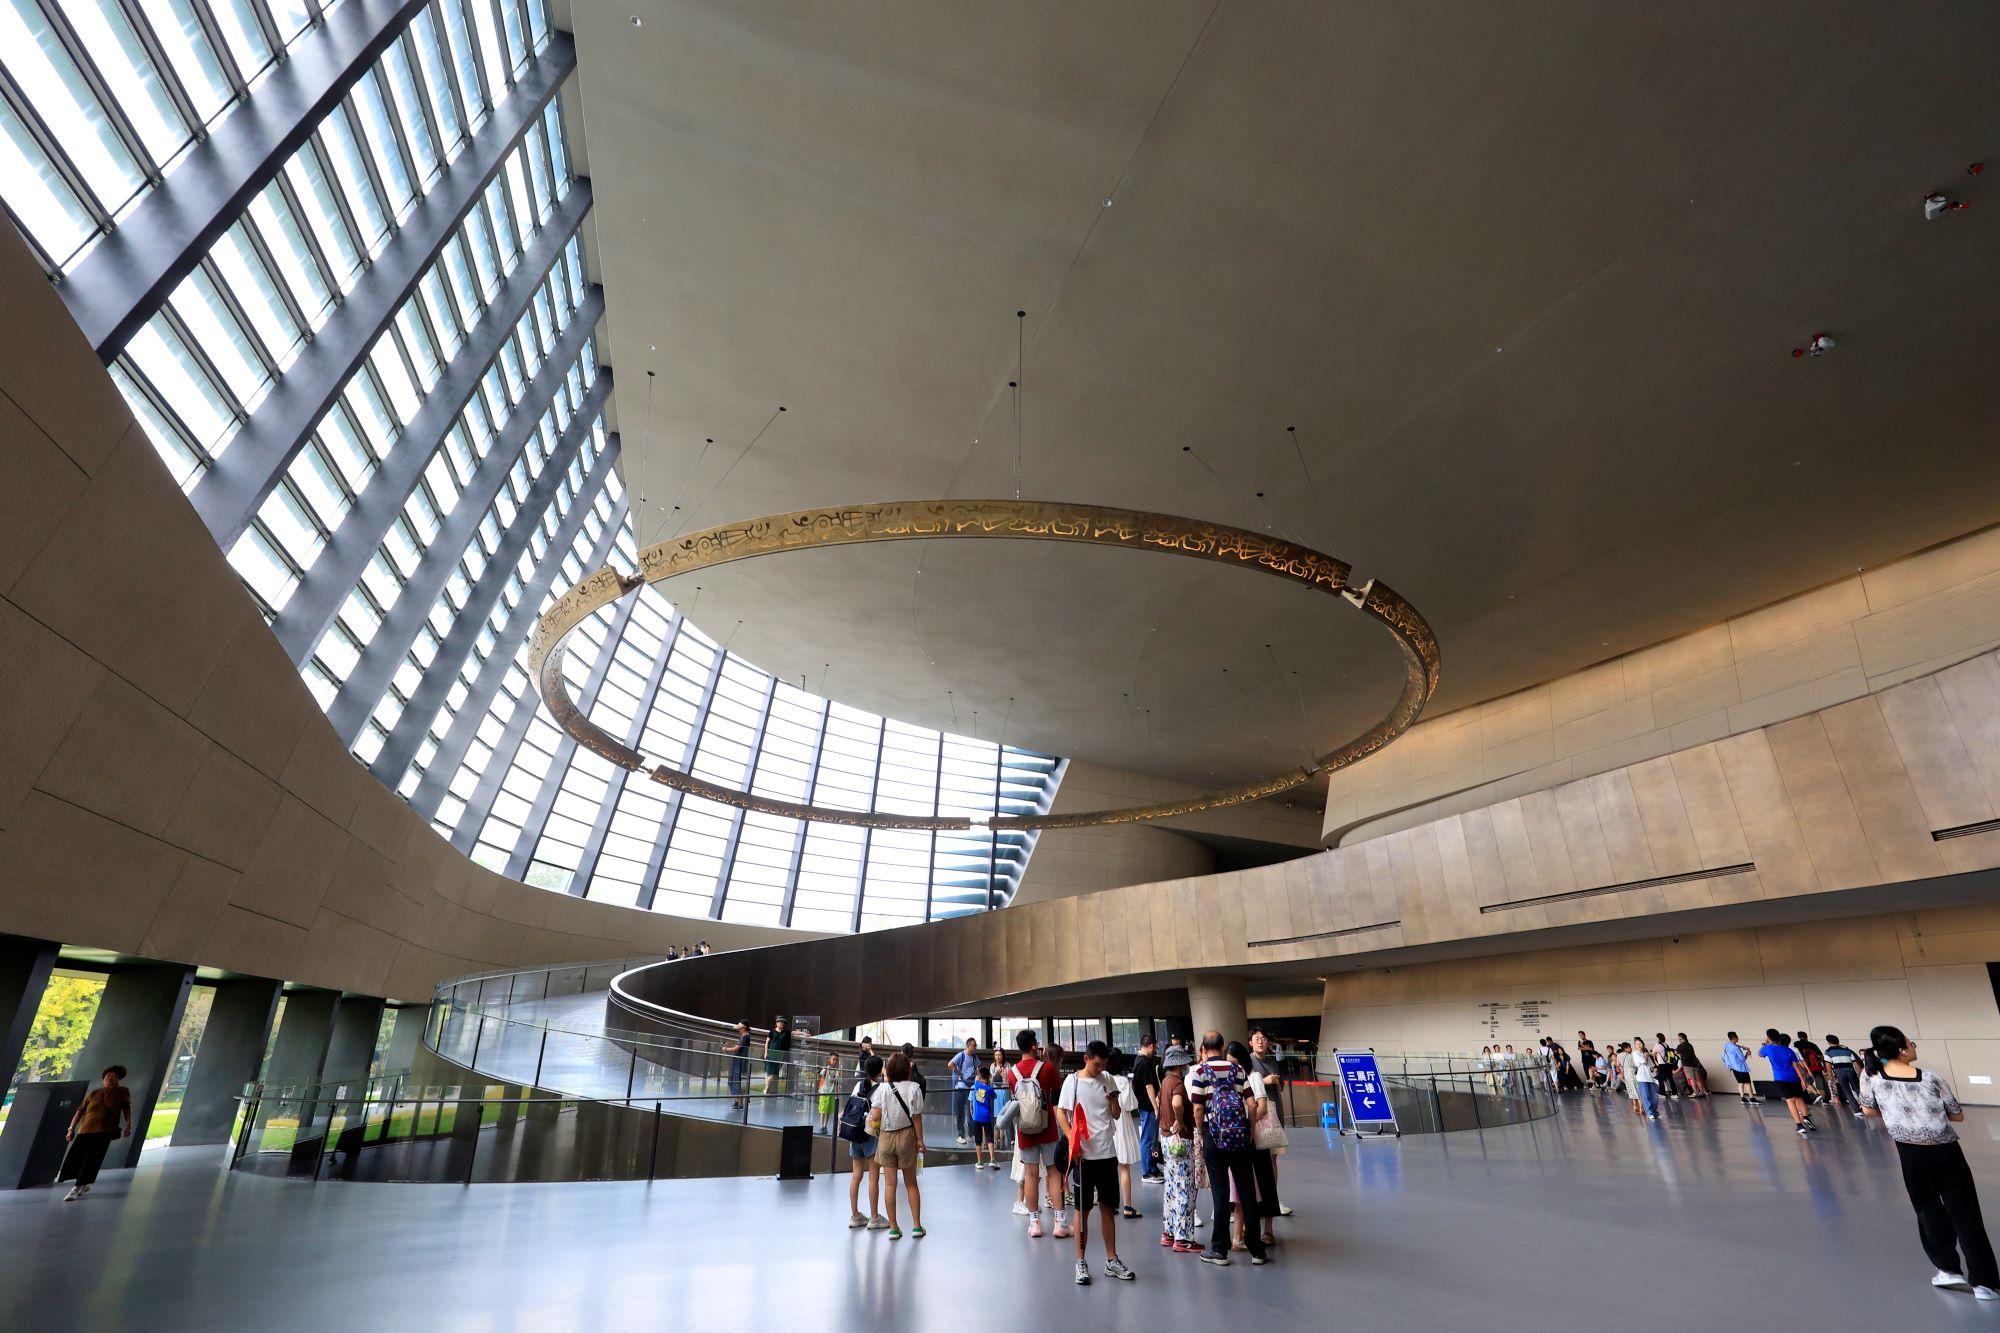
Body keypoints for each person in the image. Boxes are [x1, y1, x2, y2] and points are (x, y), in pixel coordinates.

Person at [1859, 1024, 1999, 1300]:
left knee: (1928, 1210)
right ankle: (1985, 1283)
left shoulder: (1872, 1077)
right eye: (1911, 1043)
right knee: (1966, 1214)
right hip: (1946, 1151)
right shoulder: (1931, 1078)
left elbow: (1867, 1110)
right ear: (1902, 1050)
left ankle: (1947, 1270)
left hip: (1910, 1155)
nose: (1914, 1047)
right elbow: (1957, 1115)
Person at [1057, 1040, 1135, 1283]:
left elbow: (1116, 1114)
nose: (1100, 1069)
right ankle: (1080, 1262)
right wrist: (1073, 1141)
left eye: (1104, 1065)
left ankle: (1112, 1260)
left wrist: (1113, 1100)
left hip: (1107, 1153)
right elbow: (1060, 1112)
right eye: (1097, 1064)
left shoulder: (1108, 1079)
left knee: (1107, 1208)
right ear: (1086, 1059)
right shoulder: (1074, 1082)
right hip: (1084, 1157)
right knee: (1082, 1210)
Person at [1188, 1030, 1268, 1267]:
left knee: (1220, 1194)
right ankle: (1257, 1250)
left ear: (1204, 1047)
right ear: (1222, 1046)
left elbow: (1198, 1109)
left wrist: (1201, 1134)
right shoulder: (1238, 1070)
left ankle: (1219, 1250)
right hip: (1240, 1137)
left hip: (1214, 1137)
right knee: (1246, 1192)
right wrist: (1250, 1130)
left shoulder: (1200, 1071)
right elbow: (1252, 1104)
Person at [1004, 1028, 1064, 1239]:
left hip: (1025, 1130)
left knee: (1030, 1175)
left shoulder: (1012, 1073)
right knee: (1053, 1172)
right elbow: (1057, 1094)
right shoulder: (1047, 1068)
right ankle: (1059, 1223)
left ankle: (1035, 1224)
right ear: (1033, 1046)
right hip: (1047, 1128)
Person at [871, 1052, 925, 1240]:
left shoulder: (882, 1089)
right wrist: (920, 1140)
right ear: (907, 1069)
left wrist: (876, 1127)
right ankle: (917, 1226)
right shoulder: (914, 1088)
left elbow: (875, 1117)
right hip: (907, 1136)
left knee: (890, 1184)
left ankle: (894, 1228)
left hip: (886, 1137)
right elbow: (917, 1118)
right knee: (911, 1184)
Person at [61, 1064, 131, 1200]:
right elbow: (80, 1111)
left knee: (91, 1160)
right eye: (107, 1076)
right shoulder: (94, 1093)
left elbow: (126, 1108)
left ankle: (76, 1188)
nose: (110, 1078)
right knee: (78, 1158)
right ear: (103, 1078)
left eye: (114, 1076)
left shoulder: (122, 1091)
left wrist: (129, 1124)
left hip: (104, 1131)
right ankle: (84, 1184)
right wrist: (71, 1128)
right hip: (85, 1130)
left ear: (118, 1079)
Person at [1157, 1044, 1199, 1252]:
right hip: (1179, 1139)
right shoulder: (1178, 1085)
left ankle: (1169, 1231)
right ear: (1181, 1064)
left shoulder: (1165, 1081)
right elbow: (1176, 1103)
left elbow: (1160, 1103)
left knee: (1171, 1186)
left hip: (1166, 1138)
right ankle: (1182, 1239)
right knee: (1184, 1186)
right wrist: (1180, 1121)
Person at [1248, 1028, 1292, 1225]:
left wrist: (1275, 1083)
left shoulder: (1272, 1061)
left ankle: (1271, 1199)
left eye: (1264, 1039)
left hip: (1275, 1114)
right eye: (1256, 1039)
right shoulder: (1249, 1062)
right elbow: (1248, 1086)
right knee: (1257, 1161)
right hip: (1259, 1116)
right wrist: (1264, 1081)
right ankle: (1255, 1200)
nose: (1260, 1042)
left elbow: (1281, 1086)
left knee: (1273, 1159)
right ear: (1250, 1043)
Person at [841, 1055, 886, 1230]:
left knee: (856, 1176)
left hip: (855, 1133)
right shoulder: (880, 1089)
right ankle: (874, 1217)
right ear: (880, 1070)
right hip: (871, 1136)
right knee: (873, 1177)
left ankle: (855, 1216)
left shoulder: (858, 1085)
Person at [1759, 1029, 1816, 1135]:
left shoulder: (1768, 1049)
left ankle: (1799, 1125)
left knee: (1790, 1101)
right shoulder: (1788, 1050)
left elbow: (1760, 1054)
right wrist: (1802, 1080)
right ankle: (1806, 1117)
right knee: (1799, 1098)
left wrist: (1765, 1043)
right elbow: (1796, 1065)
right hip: (1794, 1078)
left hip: (1781, 1078)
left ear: (1769, 1037)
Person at [1107, 1050, 1142, 1219]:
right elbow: (1130, 1105)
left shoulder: (1103, 1080)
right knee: (1124, 1167)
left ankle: (1110, 1204)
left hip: (1107, 1125)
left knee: (1108, 1168)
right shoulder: (1122, 1081)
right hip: (1122, 1125)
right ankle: (1127, 1206)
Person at [1131, 1032, 1163, 1184]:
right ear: (1151, 1045)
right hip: (1148, 1107)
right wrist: (1156, 1107)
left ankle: (1153, 1168)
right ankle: (1147, 1171)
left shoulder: (1138, 1060)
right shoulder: (1144, 1062)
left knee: (1151, 1140)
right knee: (1148, 1139)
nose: (1155, 1050)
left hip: (1145, 1105)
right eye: (1155, 1047)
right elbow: (1149, 1086)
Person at [949, 1037, 979, 1144]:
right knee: (961, 1112)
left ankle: (971, 1134)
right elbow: (950, 1064)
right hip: (960, 1087)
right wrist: (960, 1074)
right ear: (968, 1046)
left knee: (971, 1112)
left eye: (975, 1045)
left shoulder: (974, 1057)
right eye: (973, 1045)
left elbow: (978, 1067)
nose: (975, 1047)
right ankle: (961, 1135)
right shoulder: (961, 1055)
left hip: (971, 1088)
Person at [1824, 1034, 1863, 1115]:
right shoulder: (1846, 1049)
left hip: (1839, 1072)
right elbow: (1855, 1062)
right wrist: (1861, 1072)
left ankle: (1857, 1110)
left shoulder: (1828, 1051)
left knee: (1847, 1091)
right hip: (1851, 1071)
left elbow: (1828, 1064)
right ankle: (1866, 1106)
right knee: (1857, 1089)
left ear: (1828, 1042)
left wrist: (1830, 1076)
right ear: (1838, 1041)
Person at [969, 1064, 998, 1168]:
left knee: (978, 1140)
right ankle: (992, 1160)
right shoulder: (989, 1089)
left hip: (976, 1117)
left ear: (980, 1077)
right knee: (989, 1138)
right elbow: (995, 1096)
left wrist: (978, 1075)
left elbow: (977, 1078)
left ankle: (980, 1162)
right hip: (986, 1117)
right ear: (989, 1077)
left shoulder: (976, 1085)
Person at [1795, 1031, 1830, 1105]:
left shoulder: (1797, 1044)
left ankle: (1816, 1094)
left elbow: (1797, 1056)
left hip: (1805, 1067)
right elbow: (1821, 1056)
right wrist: (1824, 1066)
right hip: (1817, 1067)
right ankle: (1824, 1101)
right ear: (1806, 1036)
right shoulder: (1813, 1045)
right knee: (1820, 1084)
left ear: (1799, 1037)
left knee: (1806, 1081)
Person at [1630, 1038, 1661, 1119]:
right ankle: (1650, 1113)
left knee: (1654, 1096)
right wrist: (1646, 1056)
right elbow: (1644, 1061)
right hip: (1642, 1078)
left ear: (1643, 1044)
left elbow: (1651, 1065)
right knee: (1645, 1096)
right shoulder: (1635, 1053)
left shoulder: (1645, 1053)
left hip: (1650, 1077)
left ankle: (1655, 1112)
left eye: (1640, 1043)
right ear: (1635, 1046)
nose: (1639, 1045)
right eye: (1637, 1044)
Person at [762, 1016, 792, 1097]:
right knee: (768, 1072)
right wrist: (766, 1052)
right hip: (770, 1053)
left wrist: (803, 1033)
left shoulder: (786, 1033)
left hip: (779, 1054)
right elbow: (767, 1042)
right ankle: (766, 1089)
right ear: (776, 1023)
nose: (782, 1024)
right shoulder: (772, 1031)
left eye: (783, 1023)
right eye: (780, 1022)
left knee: (773, 1072)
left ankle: (766, 1089)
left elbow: (794, 1032)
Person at [1721, 1031, 1754, 1103]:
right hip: (1741, 1068)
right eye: (1737, 1036)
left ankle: (1743, 1098)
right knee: (1748, 1083)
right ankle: (1752, 1099)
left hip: (1733, 1068)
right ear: (1734, 1037)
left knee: (1740, 1083)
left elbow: (1734, 1045)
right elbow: (1743, 1059)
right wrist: (1747, 1054)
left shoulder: (1727, 1045)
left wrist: (1742, 1047)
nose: (1738, 1038)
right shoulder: (1736, 1049)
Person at [1674, 1033, 1709, 1098]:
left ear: (1681, 1038)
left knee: (1692, 1080)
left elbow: (1675, 1052)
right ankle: (1702, 1092)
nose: (1678, 1039)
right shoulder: (1690, 1045)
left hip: (1687, 1065)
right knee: (1698, 1079)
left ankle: (1696, 1093)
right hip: (1694, 1065)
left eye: (1678, 1038)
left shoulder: (1680, 1046)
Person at [815, 1052, 841, 1133]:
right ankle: (821, 1125)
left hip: (832, 1093)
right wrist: (818, 1069)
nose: (835, 1062)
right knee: (823, 1109)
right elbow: (820, 1074)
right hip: (824, 1092)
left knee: (829, 1110)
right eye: (834, 1060)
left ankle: (825, 1126)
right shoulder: (826, 1069)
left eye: (837, 1060)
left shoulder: (837, 1071)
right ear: (829, 1060)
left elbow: (838, 1081)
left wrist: (835, 1081)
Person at [727, 1021, 751, 1109]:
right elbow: (738, 1047)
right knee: (734, 1080)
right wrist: (730, 1046)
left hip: (739, 1062)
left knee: (737, 1081)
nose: (738, 1030)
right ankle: (737, 1101)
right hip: (738, 1061)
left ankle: (739, 1103)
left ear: (744, 1028)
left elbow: (737, 1048)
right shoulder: (744, 1036)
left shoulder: (745, 1036)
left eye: (740, 1028)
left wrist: (726, 1049)